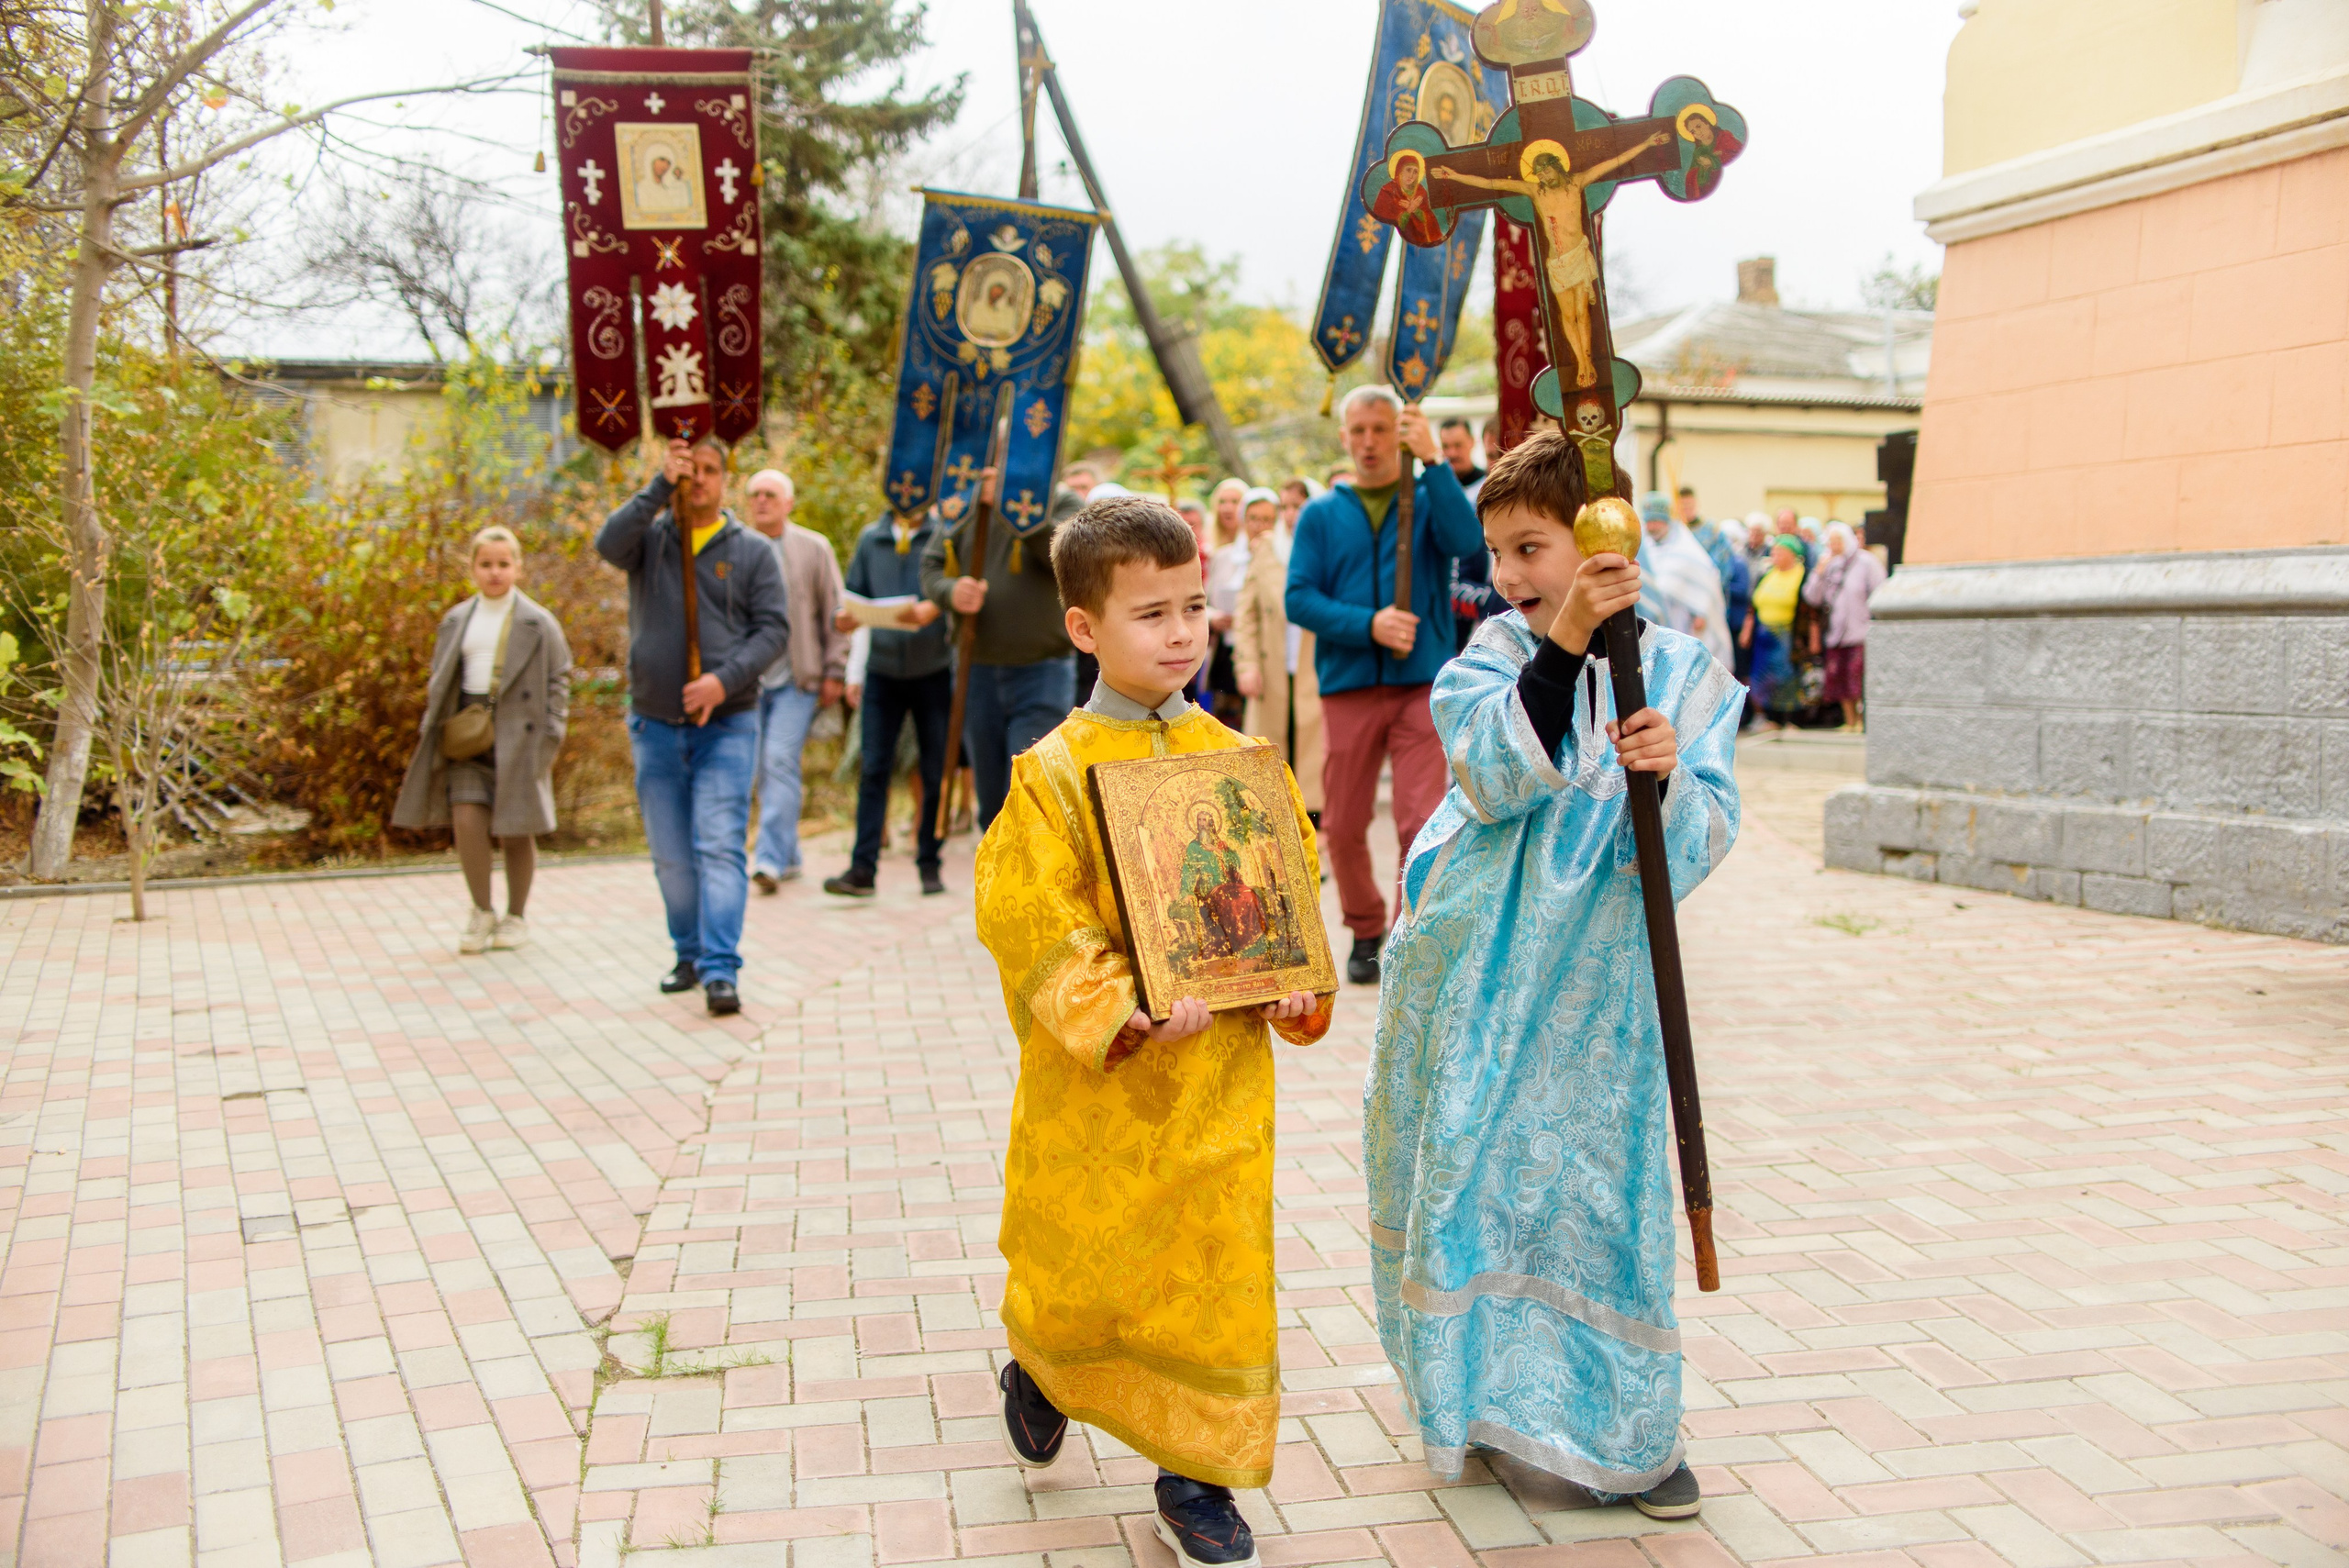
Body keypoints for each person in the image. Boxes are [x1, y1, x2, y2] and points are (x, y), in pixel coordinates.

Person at [1365, 427, 1742, 1521]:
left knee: (1596, 1194)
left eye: (1532, 547)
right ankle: (1479, 1403)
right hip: (1476, 975)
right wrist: (1562, 640)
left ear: (1600, 540)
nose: (1509, 574)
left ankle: (1628, 1434)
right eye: (1499, 553)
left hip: (1601, 994)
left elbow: (1707, 832)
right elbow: (1486, 768)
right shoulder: (1488, 653)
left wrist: (1670, 780)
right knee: (1473, 1174)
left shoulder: (1681, 675)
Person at [974, 495, 1331, 1568]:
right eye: (1150, 614)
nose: (1182, 633)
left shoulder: (1240, 758)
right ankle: (1046, 1365)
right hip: (1110, 1083)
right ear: (1084, 626)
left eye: (1192, 608)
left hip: (1220, 1078)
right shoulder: (1046, 774)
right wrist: (1119, 1008)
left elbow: (1288, 892)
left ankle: (1199, 1475)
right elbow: (1030, 915)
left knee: (1218, 1269)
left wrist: (1289, 983)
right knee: (1089, 1256)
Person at [1286, 385, 1484, 987]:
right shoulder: (1321, 514)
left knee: (1418, 817)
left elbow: (1468, 542)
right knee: (1343, 822)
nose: (1370, 441)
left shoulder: (1423, 497)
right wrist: (1368, 624)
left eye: (1381, 429)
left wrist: (1432, 462)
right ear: (1344, 437)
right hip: (1347, 685)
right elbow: (1299, 597)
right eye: (1360, 430)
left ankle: (1408, 932)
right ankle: (1364, 926)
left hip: (1420, 681)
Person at [596, 436, 790, 1017]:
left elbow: (773, 632)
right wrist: (658, 487)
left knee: (719, 846)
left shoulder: (752, 550)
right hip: (654, 723)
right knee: (672, 855)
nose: (698, 479)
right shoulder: (651, 541)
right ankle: (687, 953)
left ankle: (720, 968)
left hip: (727, 725)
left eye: (709, 470)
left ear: (724, 478)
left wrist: (721, 681)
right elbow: (607, 544)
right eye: (689, 470)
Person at [393, 526, 572, 953]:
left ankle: (516, 916)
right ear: (472, 567)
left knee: (516, 827)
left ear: (518, 567)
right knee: (467, 819)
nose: (495, 573)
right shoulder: (457, 619)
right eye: (486, 564)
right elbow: (441, 679)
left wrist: (550, 735)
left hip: (520, 732)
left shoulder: (539, 621)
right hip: (467, 731)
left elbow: (559, 679)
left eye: (503, 564)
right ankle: (481, 910)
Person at [919, 468, 1084, 831]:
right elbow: (931, 566)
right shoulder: (966, 501)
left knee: (1032, 787)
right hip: (976, 670)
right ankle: (998, 883)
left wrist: (1015, 512)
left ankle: (1042, 883)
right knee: (991, 795)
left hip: (1042, 670)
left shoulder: (1062, 500)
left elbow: (1069, 561)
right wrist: (951, 591)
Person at [825, 506, 952, 897]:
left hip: (933, 670)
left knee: (932, 771)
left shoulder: (943, 535)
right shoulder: (870, 538)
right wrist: (844, 619)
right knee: (873, 768)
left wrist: (937, 606)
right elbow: (852, 596)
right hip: (882, 671)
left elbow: (952, 592)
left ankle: (929, 863)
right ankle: (862, 868)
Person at [744, 469, 849, 893]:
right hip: (748, 683)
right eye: (754, 495)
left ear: (788, 503)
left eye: (770, 494)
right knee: (755, 769)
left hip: (797, 680)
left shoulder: (812, 548)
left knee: (779, 760)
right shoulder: (737, 548)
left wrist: (834, 670)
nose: (761, 501)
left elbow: (836, 613)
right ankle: (788, 855)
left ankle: (767, 858)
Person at [1230, 487, 1323, 819]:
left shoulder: (1327, 547)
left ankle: (1316, 843)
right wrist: (1247, 664)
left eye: (1298, 506)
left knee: (1314, 763)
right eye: (1284, 506)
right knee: (1269, 758)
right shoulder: (1267, 549)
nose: (1290, 514)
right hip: (1272, 672)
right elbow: (1247, 613)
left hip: (1315, 672)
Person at [1803, 520, 1886, 730]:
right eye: (1831, 541)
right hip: (1836, 633)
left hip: (1859, 632)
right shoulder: (1830, 564)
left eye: (1838, 540)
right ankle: (1849, 721)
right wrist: (1819, 573)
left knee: (1856, 678)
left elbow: (1880, 590)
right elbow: (1812, 597)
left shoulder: (1867, 562)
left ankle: (1861, 722)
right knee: (1838, 679)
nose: (1835, 545)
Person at [1634, 492, 1731, 669]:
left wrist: (1701, 613)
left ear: (1666, 522)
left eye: (1657, 521)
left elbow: (1705, 584)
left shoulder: (1685, 547)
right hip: (1651, 622)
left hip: (1682, 620)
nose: (1652, 526)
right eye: (1649, 522)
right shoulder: (1642, 547)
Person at [1748, 533, 1808, 728]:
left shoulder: (1801, 575)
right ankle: (1770, 717)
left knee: (1786, 676)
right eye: (1774, 552)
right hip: (1764, 635)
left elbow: (1808, 607)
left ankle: (1790, 718)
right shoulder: (1768, 573)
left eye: (1780, 552)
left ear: (1793, 554)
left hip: (1786, 635)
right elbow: (1754, 603)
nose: (1776, 556)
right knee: (1764, 677)